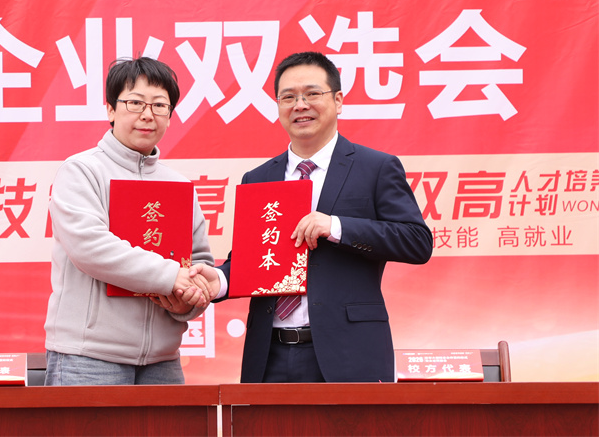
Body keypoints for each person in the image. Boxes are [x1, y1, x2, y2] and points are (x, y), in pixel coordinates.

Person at [189, 51, 433, 383]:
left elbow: (417, 241)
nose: (300, 105)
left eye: (312, 94)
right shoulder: (258, 178)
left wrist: (336, 226)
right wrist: (219, 280)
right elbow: (253, 260)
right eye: (288, 97)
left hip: (349, 353)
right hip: (269, 354)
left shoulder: (375, 167)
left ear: (338, 100)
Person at [44, 56, 214, 385]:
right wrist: (171, 276)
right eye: (135, 103)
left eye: (159, 105)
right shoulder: (82, 170)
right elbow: (90, 247)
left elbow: (198, 265)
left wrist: (187, 303)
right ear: (111, 110)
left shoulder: (179, 186)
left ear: (170, 116)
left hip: (163, 361)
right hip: (88, 357)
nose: (147, 115)